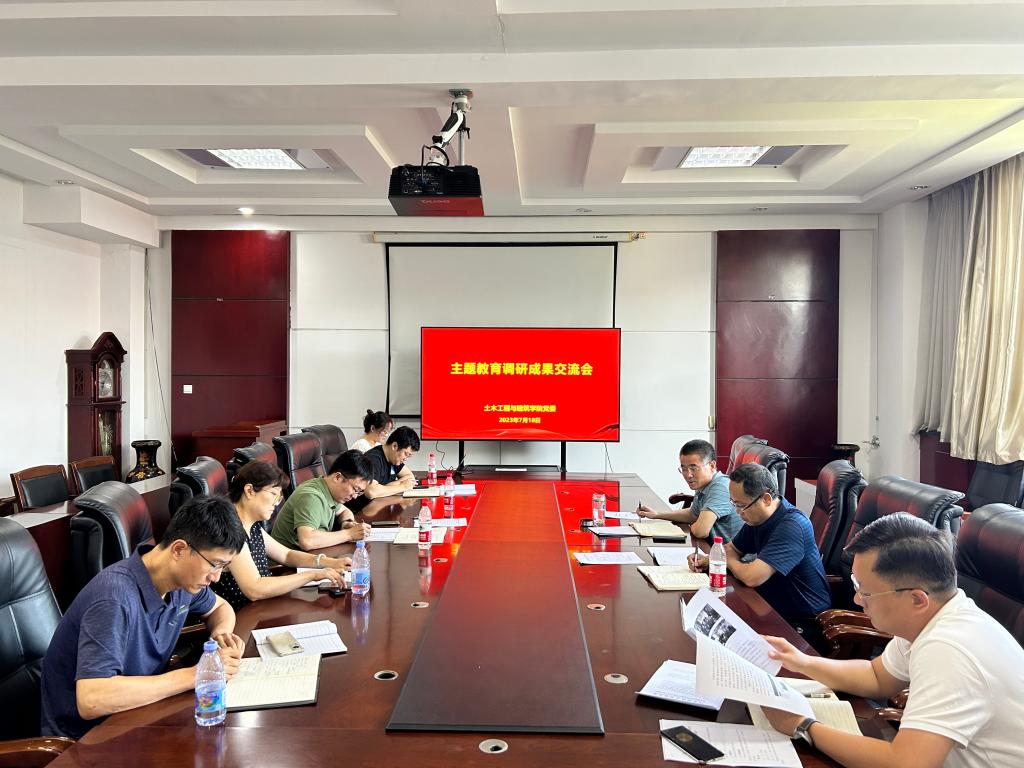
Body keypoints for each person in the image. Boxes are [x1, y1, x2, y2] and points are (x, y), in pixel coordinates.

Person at [760, 512, 1024, 768]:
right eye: (856, 585)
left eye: (865, 591)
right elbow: (877, 677)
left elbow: (906, 763)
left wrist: (802, 726)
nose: (857, 600)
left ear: (917, 599)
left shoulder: (949, 650)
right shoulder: (935, 617)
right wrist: (801, 661)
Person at [40, 495, 247, 739]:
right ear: (179, 549)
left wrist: (220, 638)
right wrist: (197, 674)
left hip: (140, 716)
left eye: (223, 567)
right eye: (214, 564)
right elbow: (92, 699)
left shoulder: (183, 583)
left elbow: (221, 608)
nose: (216, 577)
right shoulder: (113, 597)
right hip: (86, 740)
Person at [689, 462, 830, 633]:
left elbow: (752, 577)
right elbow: (732, 549)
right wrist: (710, 559)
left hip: (802, 623)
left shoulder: (792, 526)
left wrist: (727, 560)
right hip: (768, 606)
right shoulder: (756, 518)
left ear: (766, 499)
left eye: (741, 505)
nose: (738, 512)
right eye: (734, 503)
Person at [212, 460, 353, 611]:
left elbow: (286, 555)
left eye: (278, 497)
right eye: (273, 494)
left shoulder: (251, 525)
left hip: (261, 607)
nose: (276, 503)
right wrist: (313, 575)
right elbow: (254, 589)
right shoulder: (230, 529)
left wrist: (329, 562)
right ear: (249, 490)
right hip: (241, 615)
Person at [637, 439, 742, 543]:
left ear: (712, 466)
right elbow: (693, 514)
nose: (688, 475)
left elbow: (701, 531)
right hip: (710, 547)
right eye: (684, 469)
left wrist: (695, 524)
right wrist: (657, 514)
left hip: (726, 553)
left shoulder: (721, 487)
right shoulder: (704, 483)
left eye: (693, 468)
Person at [270, 449, 374, 551]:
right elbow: (307, 541)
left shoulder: (328, 490)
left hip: (311, 555)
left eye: (359, 492)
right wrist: (349, 534)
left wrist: (347, 523)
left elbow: (344, 511)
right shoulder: (311, 496)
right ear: (338, 477)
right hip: (287, 560)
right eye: (355, 489)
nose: (355, 496)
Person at [346, 425, 419, 512]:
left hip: (380, 506)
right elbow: (371, 492)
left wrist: (386, 487)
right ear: (394, 446)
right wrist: (402, 486)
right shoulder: (374, 459)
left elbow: (410, 477)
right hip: (360, 511)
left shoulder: (394, 459)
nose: (405, 459)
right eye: (406, 454)